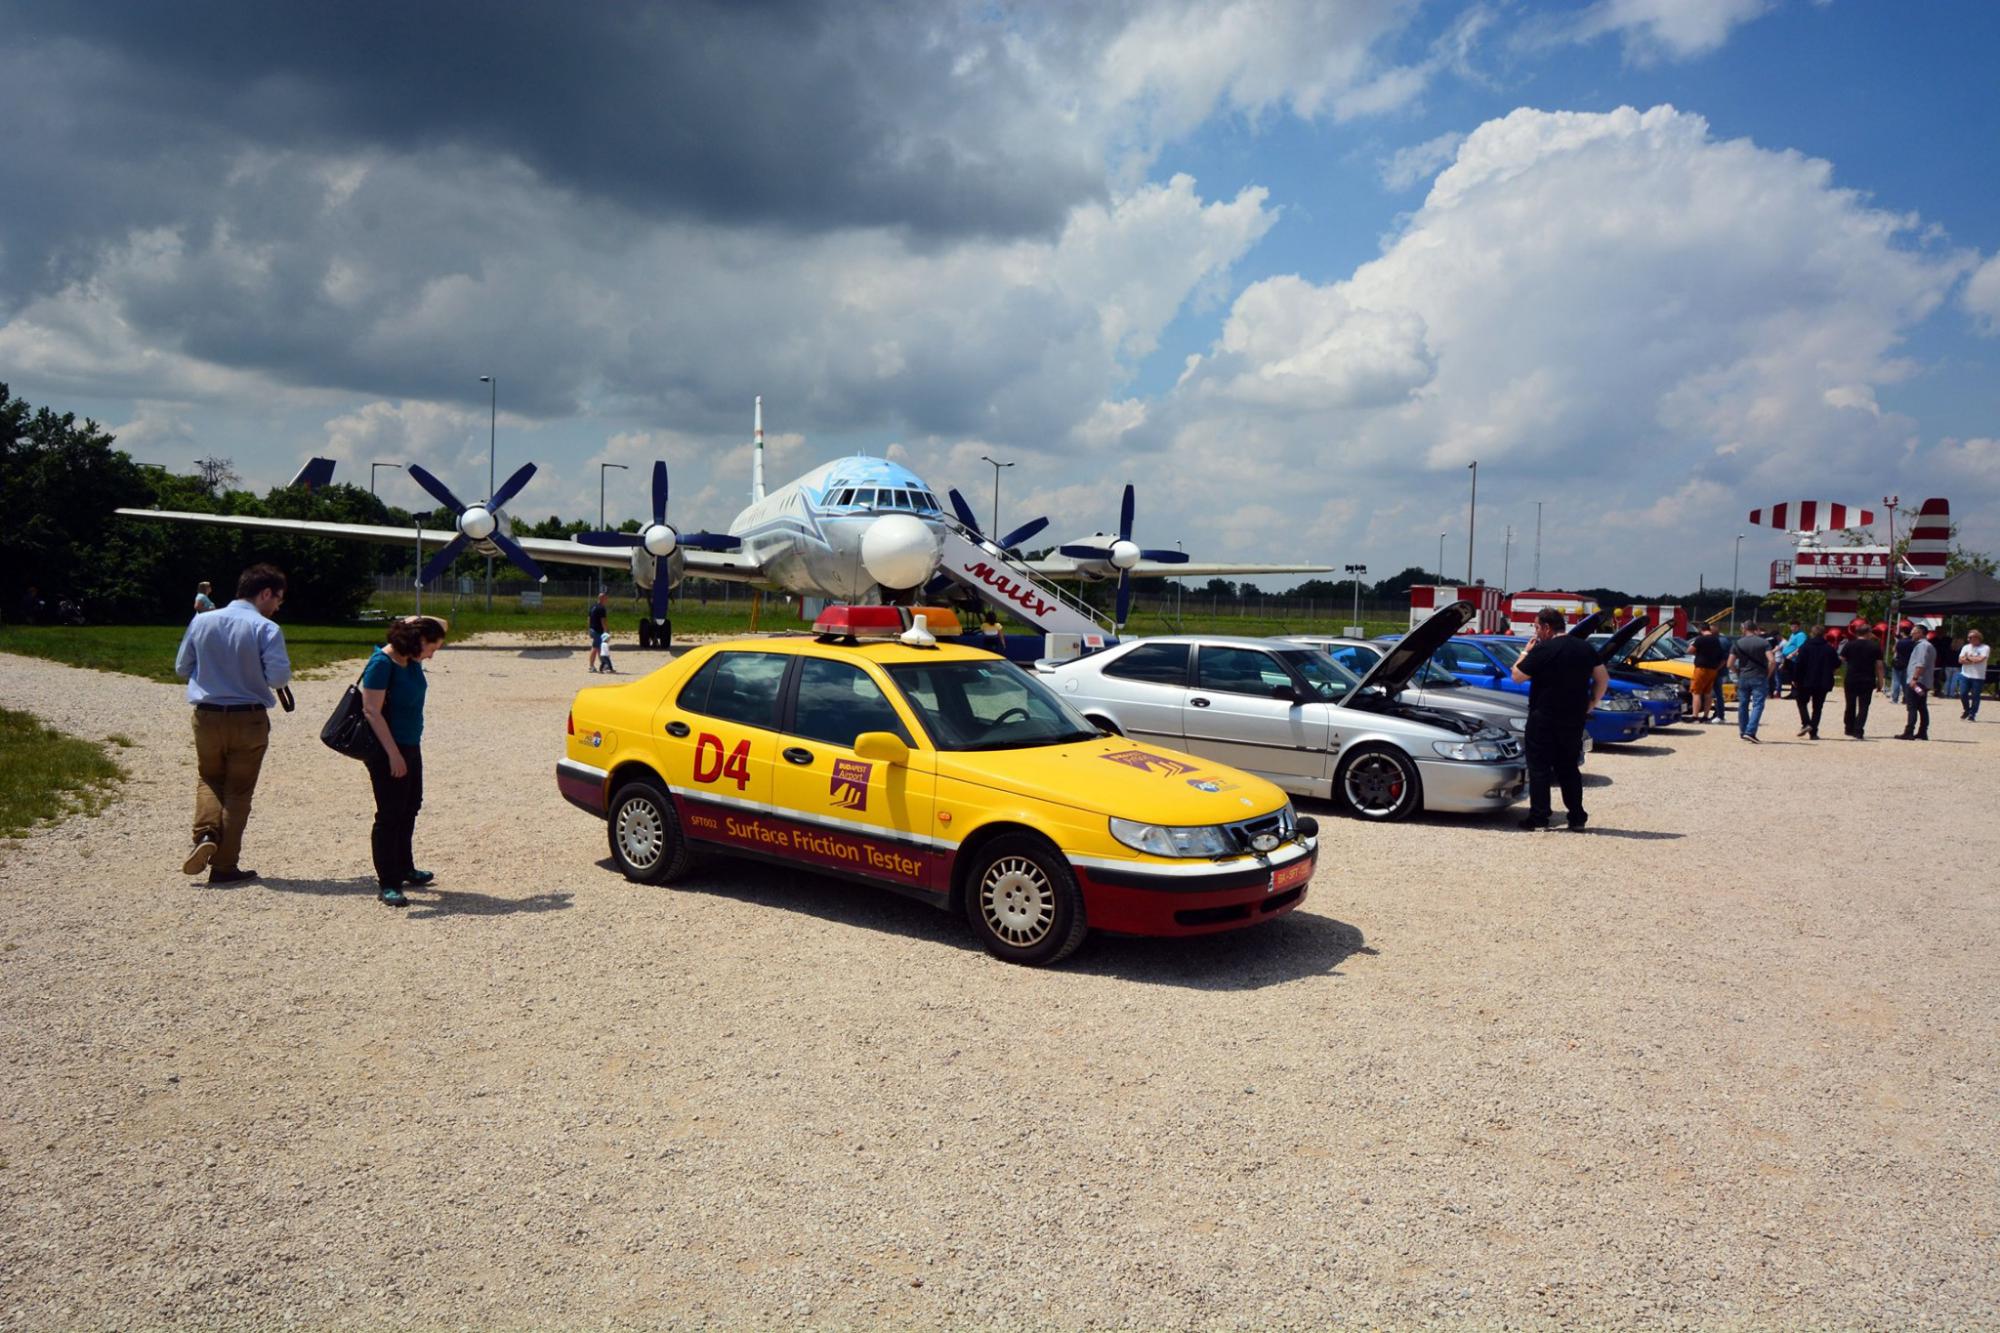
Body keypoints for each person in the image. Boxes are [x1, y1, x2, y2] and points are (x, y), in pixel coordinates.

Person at [174, 563, 291, 884]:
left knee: (209, 778)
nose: (278, 606)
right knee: (238, 791)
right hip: (249, 718)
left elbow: (182, 668)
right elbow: (279, 678)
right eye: (278, 599)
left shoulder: (202, 621)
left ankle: (205, 834)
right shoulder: (267, 629)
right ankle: (224, 866)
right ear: (265, 593)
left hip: (207, 715)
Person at [359, 615, 448, 907]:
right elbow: (371, 711)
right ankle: (388, 882)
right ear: (419, 641)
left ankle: (405, 866)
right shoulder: (381, 663)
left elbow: (442, 623)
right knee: (390, 813)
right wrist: (393, 754)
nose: (432, 655)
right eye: (431, 648)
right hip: (388, 749)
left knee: (410, 806)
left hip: (410, 744)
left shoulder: (410, 658)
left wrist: (412, 627)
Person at [1510, 606, 1608, 831]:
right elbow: (1602, 679)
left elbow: (1517, 676)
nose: (1535, 632)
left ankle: (1539, 817)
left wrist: (1525, 652)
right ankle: (1577, 817)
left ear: (1546, 627)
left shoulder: (1543, 649)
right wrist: (1591, 703)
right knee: (1569, 767)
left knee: (1539, 767)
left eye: (1536, 627)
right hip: (1573, 717)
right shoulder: (1585, 648)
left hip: (1544, 716)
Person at [1790, 625, 1838, 740]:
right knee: (1817, 707)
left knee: (1801, 702)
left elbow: (1799, 664)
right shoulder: (1829, 648)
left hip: (1805, 680)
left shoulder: (1805, 647)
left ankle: (1806, 723)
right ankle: (1813, 732)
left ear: (1811, 634)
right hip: (1823, 681)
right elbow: (1836, 663)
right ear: (1824, 634)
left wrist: (1795, 678)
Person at [1729, 623, 1773, 743]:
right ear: (1756, 629)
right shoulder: (1763, 643)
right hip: (1759, 676)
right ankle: (1750, 731)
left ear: (1744, 629)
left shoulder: (1737, 643)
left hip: (1743, 676)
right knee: (1758, 704)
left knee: (1743, 704)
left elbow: (1729, 664)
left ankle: (1743, 731)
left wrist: (1737, 672)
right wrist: (1768, 674)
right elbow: (1772, 661)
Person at [1839, 624, 1885, 739]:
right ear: (1868, 633)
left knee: (1850, 704)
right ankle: (1858, 730)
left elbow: (1841, 660)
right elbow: (1879, 666)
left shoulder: (1849, 645)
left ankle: (1849, 727)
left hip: (1851, 678)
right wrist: (1880, 681)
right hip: (1867, 679)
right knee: (1864, 706)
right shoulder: (1875, 646)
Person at [1898, 626, 1936, 741]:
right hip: (1924, 681)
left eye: (1913, 632)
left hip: (1917, 681)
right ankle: (1922, 731)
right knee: (1921, 706)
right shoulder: (1928, 645)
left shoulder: (1922, 646)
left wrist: (1914, 679)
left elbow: (1920, 664)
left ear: (1920, 633)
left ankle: (1909, 731)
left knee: (1912, 706)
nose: (1911, 635)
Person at [1689, 624, 1728, 724]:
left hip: (1701, 668)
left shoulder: (1700, 639)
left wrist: (1696, 651)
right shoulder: (1716, 640)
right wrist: (1717, 668)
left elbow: (1690, 650)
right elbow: (1723, 658)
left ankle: (1695, 716)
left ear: (1700, 629)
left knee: (1696, 692)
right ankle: (1705, 716)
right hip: (1713, 670)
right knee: (1708, 693)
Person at [1961, 629, 1989, 721]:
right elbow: (1960, 660)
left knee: (1975, 696)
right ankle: (1967, 709)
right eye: (1968, 637)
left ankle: (1972, 714)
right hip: (1965, 674)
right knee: (1963, 693)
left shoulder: (1985, 648)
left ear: (1977, 638)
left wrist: (1968, 657)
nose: (1968, 639)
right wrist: (1973, 659)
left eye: (1970, 637)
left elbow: (1980, 660)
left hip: (1978, 676)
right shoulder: (1966, 647)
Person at [1890, 624, 1916, 704]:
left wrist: (1896, 641)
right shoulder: (1912, 642)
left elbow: (1894, 650)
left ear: (1902, 632)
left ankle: (1895, 699)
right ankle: (1906, 698)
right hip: (1908, 663)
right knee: (1905, 682)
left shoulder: (1900, 642)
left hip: (1898, 662)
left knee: (1896, 681)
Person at [587, 592, 609, 673]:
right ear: (602, 599)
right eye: (605, 598)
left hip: (592, 629)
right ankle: (591, 666)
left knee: (600, 647)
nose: (607, 600)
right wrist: (606, 630)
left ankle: (603, 664)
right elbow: (603, 621)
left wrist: (589, 629)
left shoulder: (593, 607)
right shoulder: (601, 608)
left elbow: (588, 619)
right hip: (598, 631)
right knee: (595, 648)